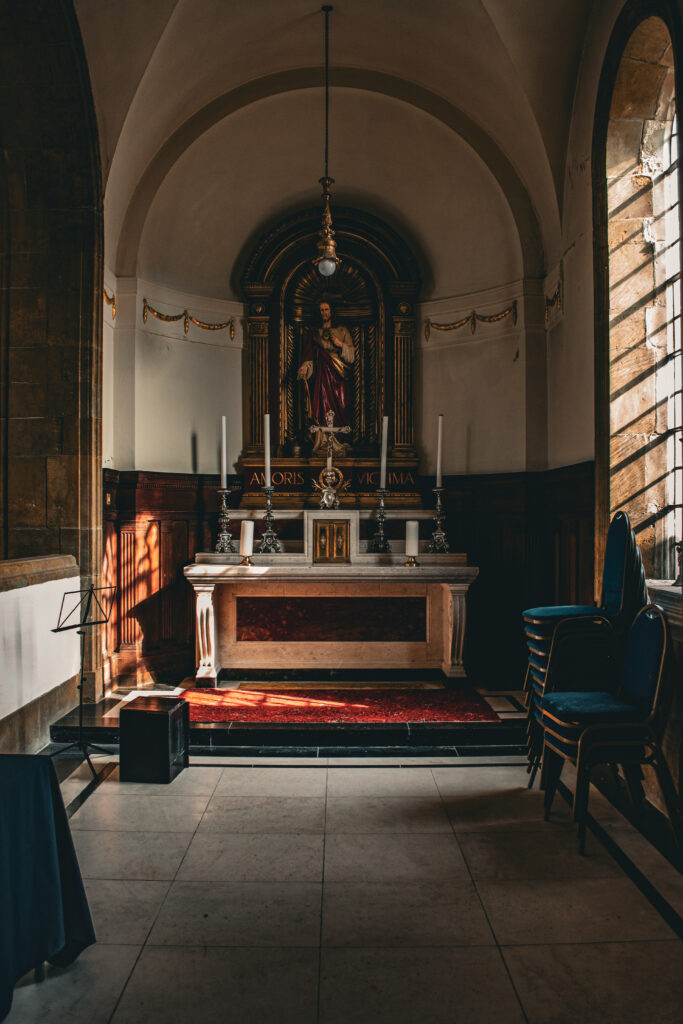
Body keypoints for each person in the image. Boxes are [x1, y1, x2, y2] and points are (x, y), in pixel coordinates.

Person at [297, 301, 355, 438]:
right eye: (321, 310)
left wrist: (340, 344)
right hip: (322, 375)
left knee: (341, 404)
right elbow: (309, 354)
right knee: (322, 404)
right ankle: (322, 439)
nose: (324, 312)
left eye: (326, 309)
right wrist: (305, 366)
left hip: (339, 374)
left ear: (332, 311)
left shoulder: (342, 331)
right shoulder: (315, 333)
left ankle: (341, 440)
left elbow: (352, 356)